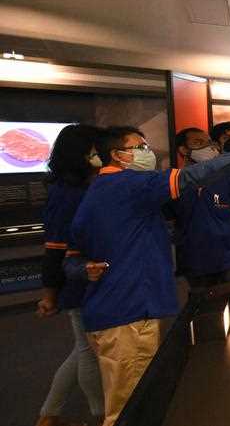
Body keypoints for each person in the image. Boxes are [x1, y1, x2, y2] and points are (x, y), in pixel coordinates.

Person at [64, 126, 230, 426]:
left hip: (110, 310)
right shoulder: (130, 184)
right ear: (118, 155)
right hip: (129, 312)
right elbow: (194, 175)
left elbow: (72, 258)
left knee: (130, 400)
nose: (147, 153)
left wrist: (85, 269)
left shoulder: (95, 192)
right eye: (139, 147)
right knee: (132, 408)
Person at [35, 124, 105, 426]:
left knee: (82, 348)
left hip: (93, 276)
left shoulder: (87, 187)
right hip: (78, 279)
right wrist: (49, 294)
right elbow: (54, 249)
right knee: (88, 351)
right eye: (95, 151)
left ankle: (49, 413)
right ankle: (101, 414)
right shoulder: (68, 194)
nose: (101, 155)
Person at [171, 127, 230, 291]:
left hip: (229, 257)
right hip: (194, 259)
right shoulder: (173, 183)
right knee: (201, 303)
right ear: (184, 150)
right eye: (198, 143)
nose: (208, 147)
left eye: (209, 142)